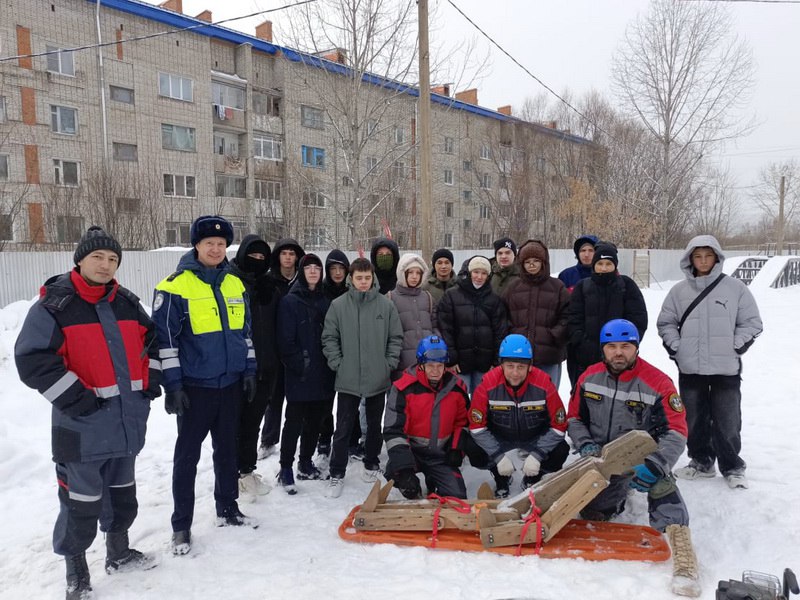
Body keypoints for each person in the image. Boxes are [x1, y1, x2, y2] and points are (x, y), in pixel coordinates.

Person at [15, 226, 161, 599]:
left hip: (126, 425)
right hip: (80, 429)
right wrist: (74, 397)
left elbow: (153, 343)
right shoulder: (54, 306)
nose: (106, 264)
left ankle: (118, 552)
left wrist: (150, 382)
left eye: (113, 259)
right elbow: (32, 359)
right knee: (80, 505)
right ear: (80, 259)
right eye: (98, 256)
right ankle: (76, 572)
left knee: (123, 495)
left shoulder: (126, 302)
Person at [152, 215, 257, 556]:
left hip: (229, 385)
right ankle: (181, 525)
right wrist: (174, 385)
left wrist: (249, 370)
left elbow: (246, 334)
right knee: (187, 458)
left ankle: (227, 508)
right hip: (195, 389)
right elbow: (165, 342)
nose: (215, 248)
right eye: (209, 243)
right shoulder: (174, 286)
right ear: (196, 245)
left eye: (221, 243)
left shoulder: (234, 285)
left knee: (227, 451)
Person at [657, 235, 763, 489]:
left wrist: (735, 345)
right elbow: (666, 322)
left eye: (708, 255)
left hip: (725, 368)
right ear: (690, 259)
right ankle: (701, 462)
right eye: (697, 256)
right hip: (690, 367)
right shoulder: (678, 291)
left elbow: (752, 322)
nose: (703, 261)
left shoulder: (735, 289)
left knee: (727, 419)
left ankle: (732, 466)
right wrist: (676, 347)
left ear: (717, 257)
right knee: (693, 418)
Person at [567, 319, 691, 534]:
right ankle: (617, 494)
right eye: (611, 347)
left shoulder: (658, 383)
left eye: (625, 346)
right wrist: (585, 444)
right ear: (603, 349)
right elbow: (574, 418)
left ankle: (676, 529)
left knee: (661, 483)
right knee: (594, 512)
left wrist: (656, 464)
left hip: (641, 457)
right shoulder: (588, 378)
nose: (618, 353)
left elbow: (676, 431)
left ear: (636, 348)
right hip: (601, 458)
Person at [322, 258, 403, 498]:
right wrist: (338, 363)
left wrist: (388, 363)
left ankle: (371, 463)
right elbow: (329, 338)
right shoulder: (338, 305)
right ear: (351, 278)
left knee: (374, 425)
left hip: (378, 377)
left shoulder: (385, 306)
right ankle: (336, 473)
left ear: (373, 278)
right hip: (348, 379)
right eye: (359, 278)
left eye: (368, 278)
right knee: (344, 427)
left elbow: (395, 338)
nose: (364, 282)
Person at [464, 334, 569, 498]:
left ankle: (533, 477)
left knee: (560, 451)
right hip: (500, 436)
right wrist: (498, 457)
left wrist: (538, 455)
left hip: (534, 436)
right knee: (473, 447)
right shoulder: (487, 385)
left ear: (530, 366)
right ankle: (501, 477)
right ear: (501, 365)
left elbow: (559, 425)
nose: (515, 373)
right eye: (510, 366)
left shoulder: (543, 384)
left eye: (521, 366)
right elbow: (477, 427)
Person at [275, 254, 335, 494]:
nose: (313, 271)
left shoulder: (326, 300)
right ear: (301, 272)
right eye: (308, 268)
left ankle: (305, 462)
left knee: (316, 420)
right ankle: (286, 467)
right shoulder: (291, 301)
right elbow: (284, 341)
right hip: (300, 373)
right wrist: (300, 364)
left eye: (316, 268)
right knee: (294, 422)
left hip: (324, 373)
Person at [383, 336, 470, 499]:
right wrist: (404, 468)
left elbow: (463, 423)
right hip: (412, 452)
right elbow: (393, 431)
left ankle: (433, 478)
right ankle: (402, 474)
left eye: (440, 366)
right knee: (410, 490)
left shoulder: (457, 389)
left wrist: (456, 448)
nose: (436, 371)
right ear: (421, 365)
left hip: (440, 455)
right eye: (430, 366)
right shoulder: (403, 389)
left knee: (457, 496)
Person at [566, 241, 647, 387]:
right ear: (594, 264)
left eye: (608, 264)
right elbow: (573, 320)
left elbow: (638, 319)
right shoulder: (582, 287)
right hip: (586, 360)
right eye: (600, 263)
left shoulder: (626, 286)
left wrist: (626, 347)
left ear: (615, 265)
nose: (604, 268)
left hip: (619, 360)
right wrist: (583, 347)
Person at [230, 234, 274, 501]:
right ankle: (234, 476)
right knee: (236, 425)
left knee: (253, 423)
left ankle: (246, 471)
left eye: (262, 258)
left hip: (266, 366)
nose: (257, 262)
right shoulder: (230, 282)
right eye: (252, 256)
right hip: (238, 367)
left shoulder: (268, 286)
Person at [258, 238, 305, 459]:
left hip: (297, 347)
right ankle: (268, 440)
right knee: (273, 398)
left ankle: (301, 438)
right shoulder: (268, 281)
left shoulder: (303, 280)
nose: (288, 257)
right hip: (273, 349)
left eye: (292, 254)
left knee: (299, 399)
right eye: (284, 253)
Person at [502, 240, 570, 387]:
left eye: (536, 261)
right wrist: (512, 335)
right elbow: (503, 316)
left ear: (543, 262)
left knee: (548, 397)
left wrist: (553, 335)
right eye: (527, 261)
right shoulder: (513, 288)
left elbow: (567, 316)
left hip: (548, 355)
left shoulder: (557, 287)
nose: (531, 265)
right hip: (518, 356)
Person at [436, 255, 508, 393]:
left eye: (483, 273)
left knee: (481, 403)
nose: (479, 277)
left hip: (485, 364)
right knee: (459, 402)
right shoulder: (451, 296)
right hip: (459, 364)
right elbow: (446, 328)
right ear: (469, 273)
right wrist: (451, 358)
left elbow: (500, 332)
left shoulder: (494, 300)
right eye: (476, 272)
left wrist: (496, 361)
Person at [318, 249, 351, 462]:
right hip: (326, 355)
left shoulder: (353, 291)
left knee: (350, 403)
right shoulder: (320, 292)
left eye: (341, 268)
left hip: (351, 354)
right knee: (326, 401)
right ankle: (324, 437)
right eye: (333, 269)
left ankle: (350, 438)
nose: (338, 273)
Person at [388, 253, 437, 380]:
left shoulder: (428, 298)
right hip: (401, 365)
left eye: (418, 273)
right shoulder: (390, 298)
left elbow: (435, 327)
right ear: (402, 273)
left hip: (426, 363)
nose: (414, 277)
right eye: (410, 273)